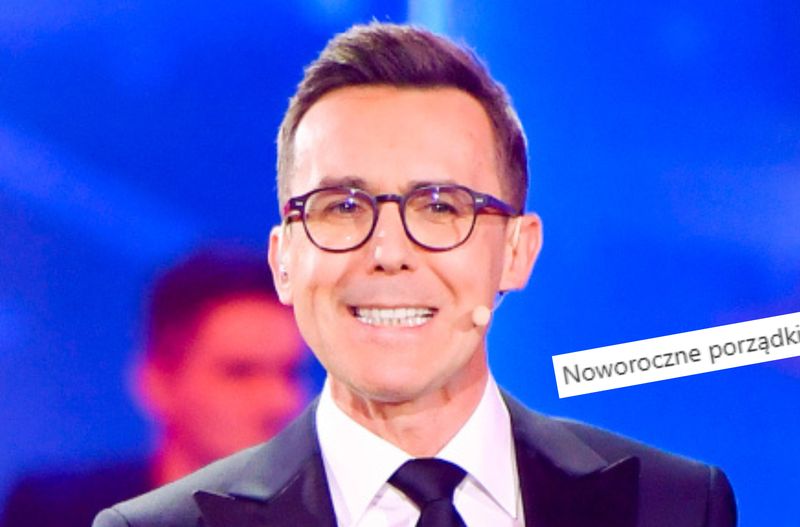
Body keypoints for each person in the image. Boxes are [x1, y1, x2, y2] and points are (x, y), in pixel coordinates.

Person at [93, 22, 737, 526]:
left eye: (440, 207)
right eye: (344, 207)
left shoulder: (672, 506)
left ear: (517, 250)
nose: (388, 251)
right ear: (284, 260)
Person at [2, 249, 311, 527]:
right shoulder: (57, 512)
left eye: (289, 373)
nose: (280, 402)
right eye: (240, 373)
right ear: (158, 382)